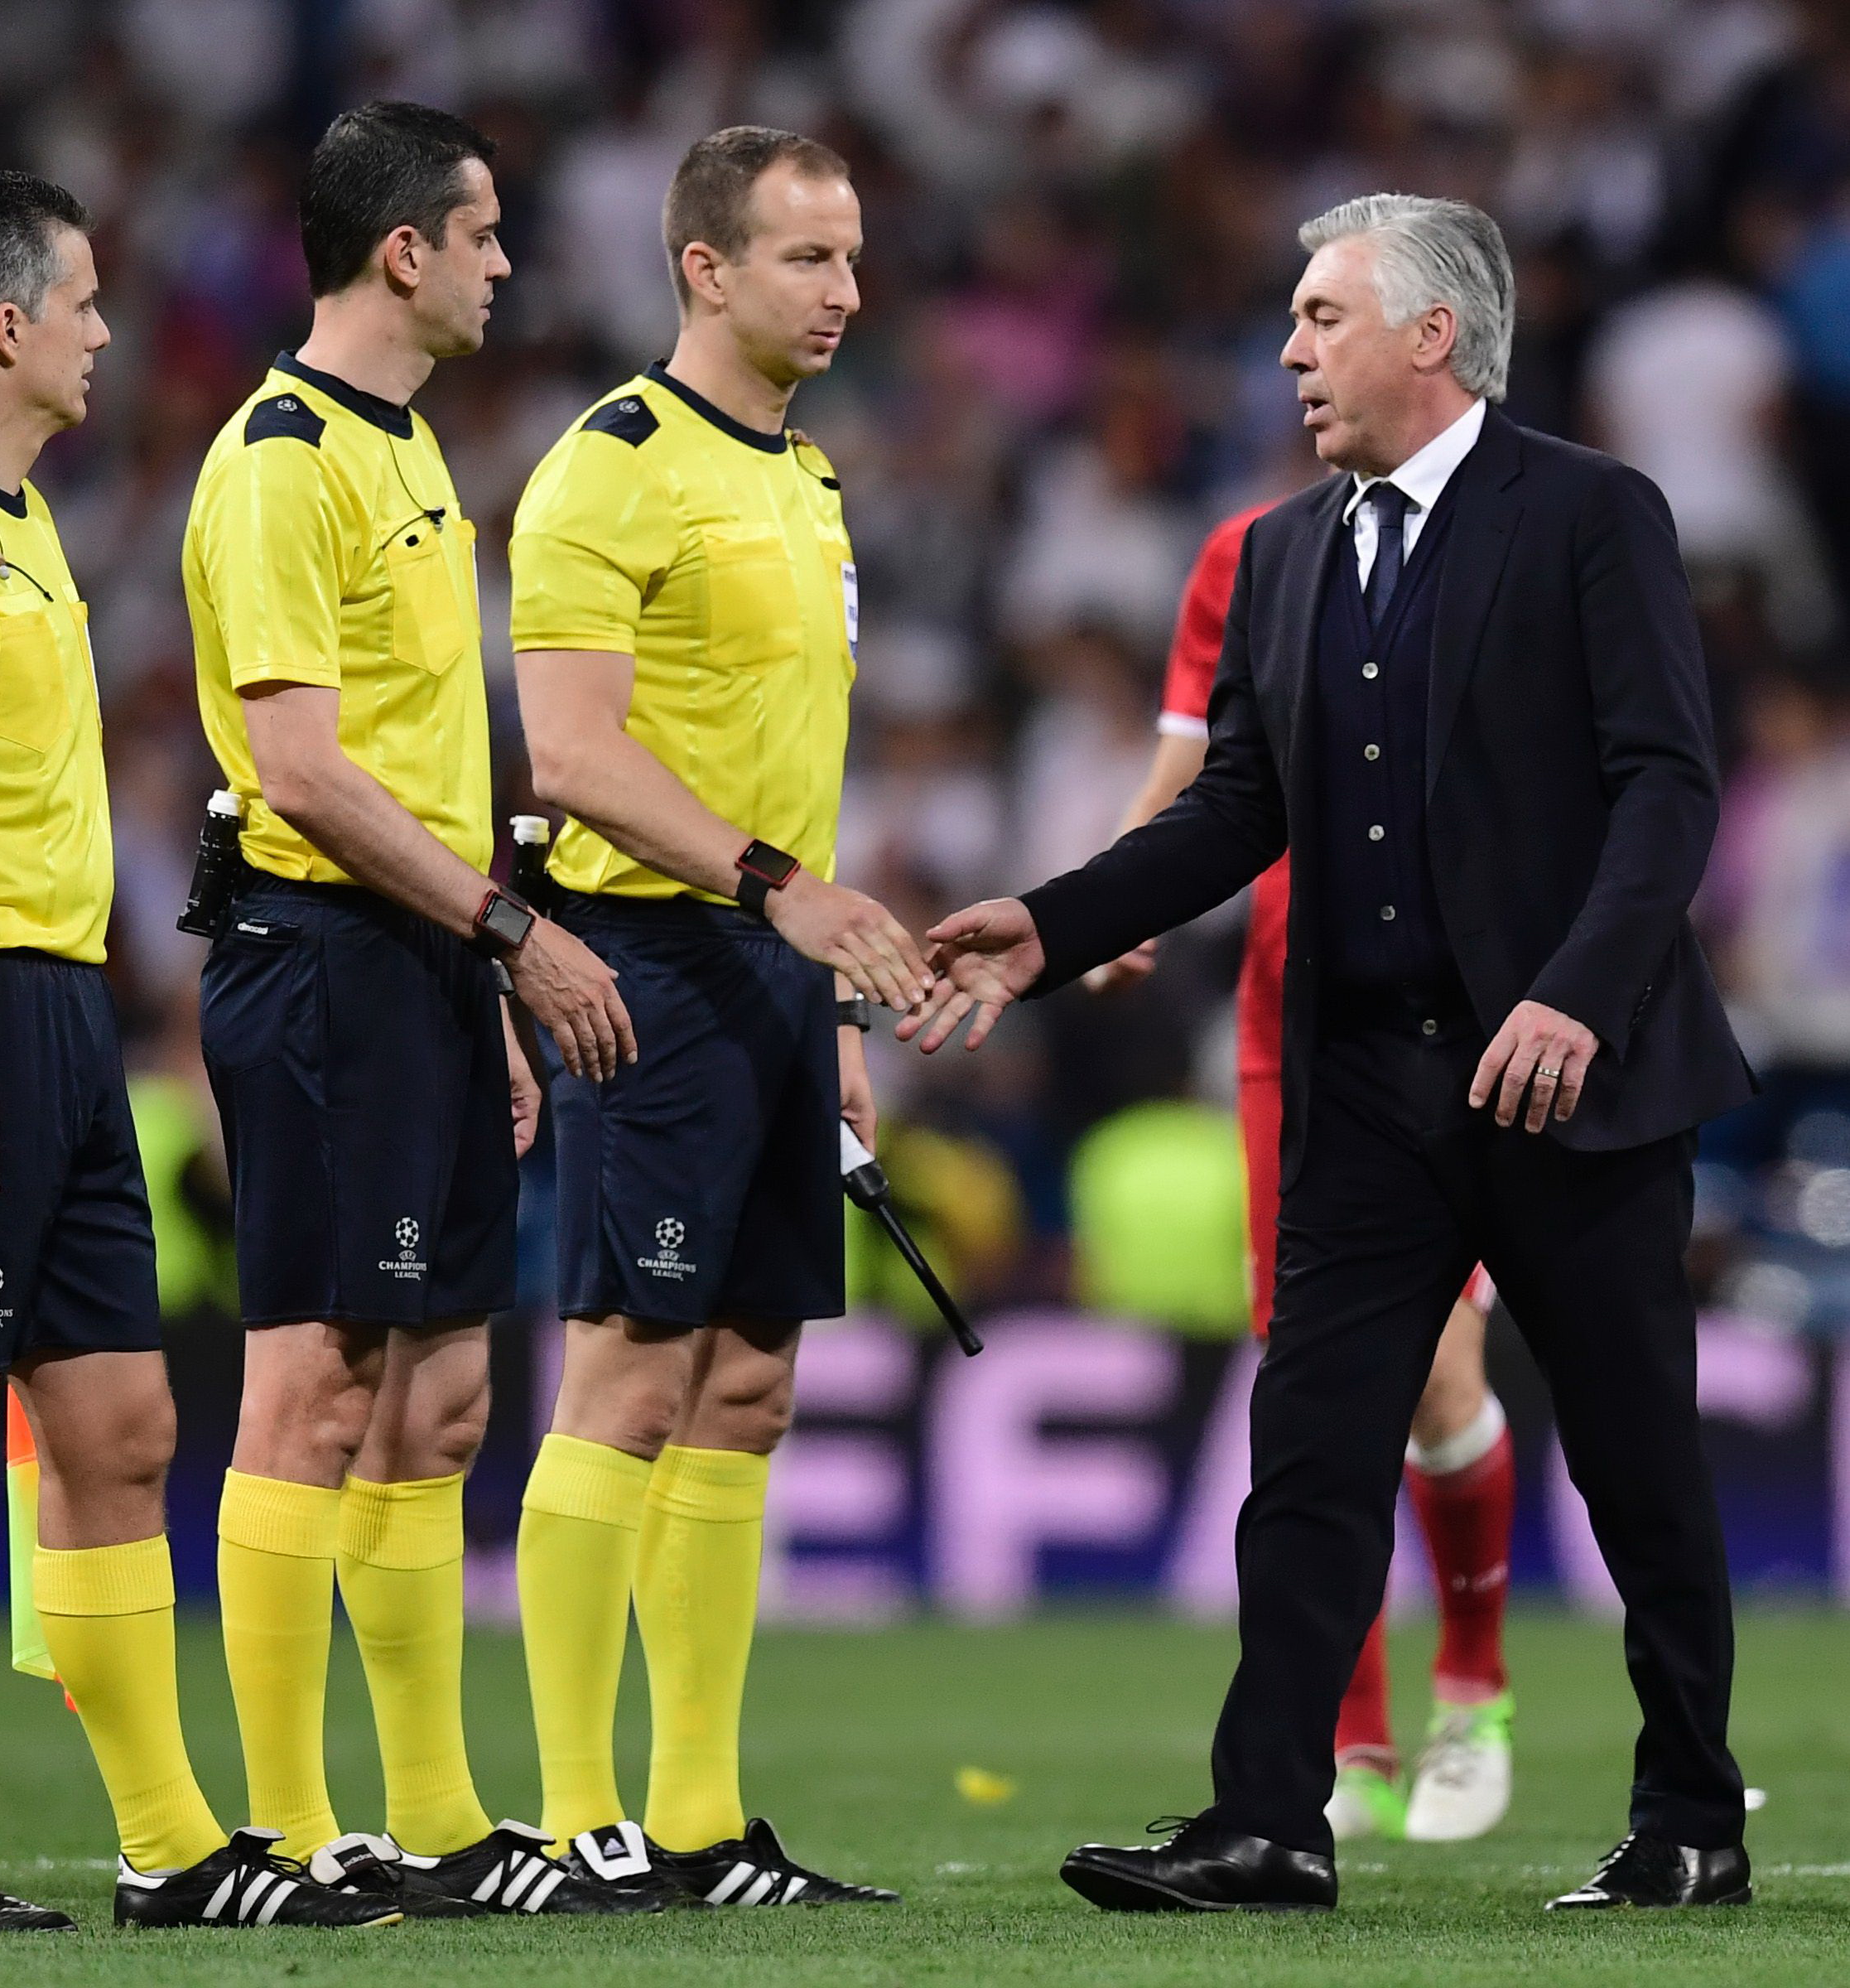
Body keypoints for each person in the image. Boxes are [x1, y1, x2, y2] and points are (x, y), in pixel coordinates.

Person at [906, 194, 1756, 1913]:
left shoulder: (1588, 511)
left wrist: (1577, 996)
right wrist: (1050, 923)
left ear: (1431, 335)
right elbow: (1239, 805)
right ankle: (1267, 1823)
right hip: (1363, 1087)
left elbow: (1667, 784)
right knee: (1306, 1458)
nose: (1287, 351)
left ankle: (1688, 1821)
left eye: (1319, 317)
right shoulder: (1285, 553)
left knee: (1637, 1464)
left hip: (1564, 1082)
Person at [0, 166, 390, 1936]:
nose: (106, 332)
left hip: (57, 1013)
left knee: (124, 1429)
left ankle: (167, 1849)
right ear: (7, 327)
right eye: (81, 302)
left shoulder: (15, 520)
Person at [182, 100, 645, 1916]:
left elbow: (420, 756)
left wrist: (484, 972)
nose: (505, 264)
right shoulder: (280, 459)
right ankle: (290, 1829)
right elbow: (301, 770)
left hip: (426, 961)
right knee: (312, 1387)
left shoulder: (409, 450)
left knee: (439, 1399)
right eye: (483, 232)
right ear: (403, 251)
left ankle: (439, 1820)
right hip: (320, 959)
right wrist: (513, 930)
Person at [506, 124, 919, 1908]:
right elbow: (570, 754)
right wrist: (777, 894)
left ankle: (695, 1820)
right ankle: (571, 1815)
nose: (845, 291)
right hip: (652, 960)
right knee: (628, 1367)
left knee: (746, 1382)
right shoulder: (609, 466)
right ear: (705, 267)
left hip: (768, 971)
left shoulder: (806, 478)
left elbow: (785, 759)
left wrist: (827, 1005)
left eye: (851, 256)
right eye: (807, 257)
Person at [1103, 504, 1520, 1846]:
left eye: (1327, 380)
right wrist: (1113, 902)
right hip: (1292, 1020)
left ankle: (1475, 1689)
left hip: (1456, 1010)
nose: (1304, 391)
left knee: (1436, 1378)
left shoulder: (1508, 535)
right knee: (1312, 1380)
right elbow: (1197, 756)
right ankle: (1356, 1745)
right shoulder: (1247, 554)